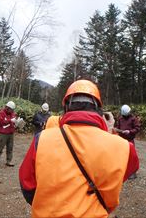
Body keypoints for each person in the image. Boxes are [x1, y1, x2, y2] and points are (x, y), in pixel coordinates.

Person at [19, 79, 139, 218]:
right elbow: (122, 173)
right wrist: (110, 131)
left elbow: (27, 185)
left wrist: (48, 205)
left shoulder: (41, 139)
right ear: (99, 110)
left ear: (66, 108)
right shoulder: (123, 147)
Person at [114, 104, 140, 179]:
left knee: (131, 157)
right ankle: (123, 171)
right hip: (122, 140)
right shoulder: (120, 119)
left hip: (130, 140)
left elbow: (137, 128)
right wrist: (116, 130)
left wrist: (130, 131)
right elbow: (118, 127)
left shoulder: (133, 119)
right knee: (122, 156)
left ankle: (133, 173)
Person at [0, 101, 17, 169]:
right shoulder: (1, 113)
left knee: (10, 148)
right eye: (11, 109)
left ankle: (8, 161)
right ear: (7, 108)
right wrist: (10, 120)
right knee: (0, 148)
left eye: (13, 110)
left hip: (11, 133)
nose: (12, 111)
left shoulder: (13, 113)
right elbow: (1, 122)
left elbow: (13, 122)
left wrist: (16, 123)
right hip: (3, 133)